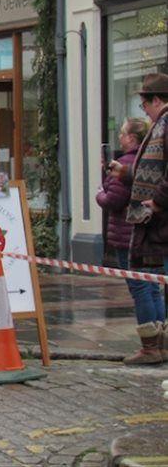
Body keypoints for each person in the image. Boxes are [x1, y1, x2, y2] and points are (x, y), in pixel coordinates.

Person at [113, 72, 168, 364]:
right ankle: (156, 346)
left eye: (145, 103)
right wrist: (127, 173)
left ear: (157, 100)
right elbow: (154, 172)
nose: (143, 109)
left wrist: (158, 202)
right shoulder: (159, 125)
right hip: (154, 222)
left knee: (149, 283)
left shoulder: (166, 123)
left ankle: (153, 348)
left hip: (160, 220)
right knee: (154, 281)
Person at [98, 118, 153, 363]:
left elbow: (113, 200)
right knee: (152, 287)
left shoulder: (125, 164)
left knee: (140, 287)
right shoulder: (145, 160)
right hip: (145, 232)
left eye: (122, 134)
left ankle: (150, 344)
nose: (120, 138)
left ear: (131, 138)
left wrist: (100, 193)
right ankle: (158, 340)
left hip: (126, 233)